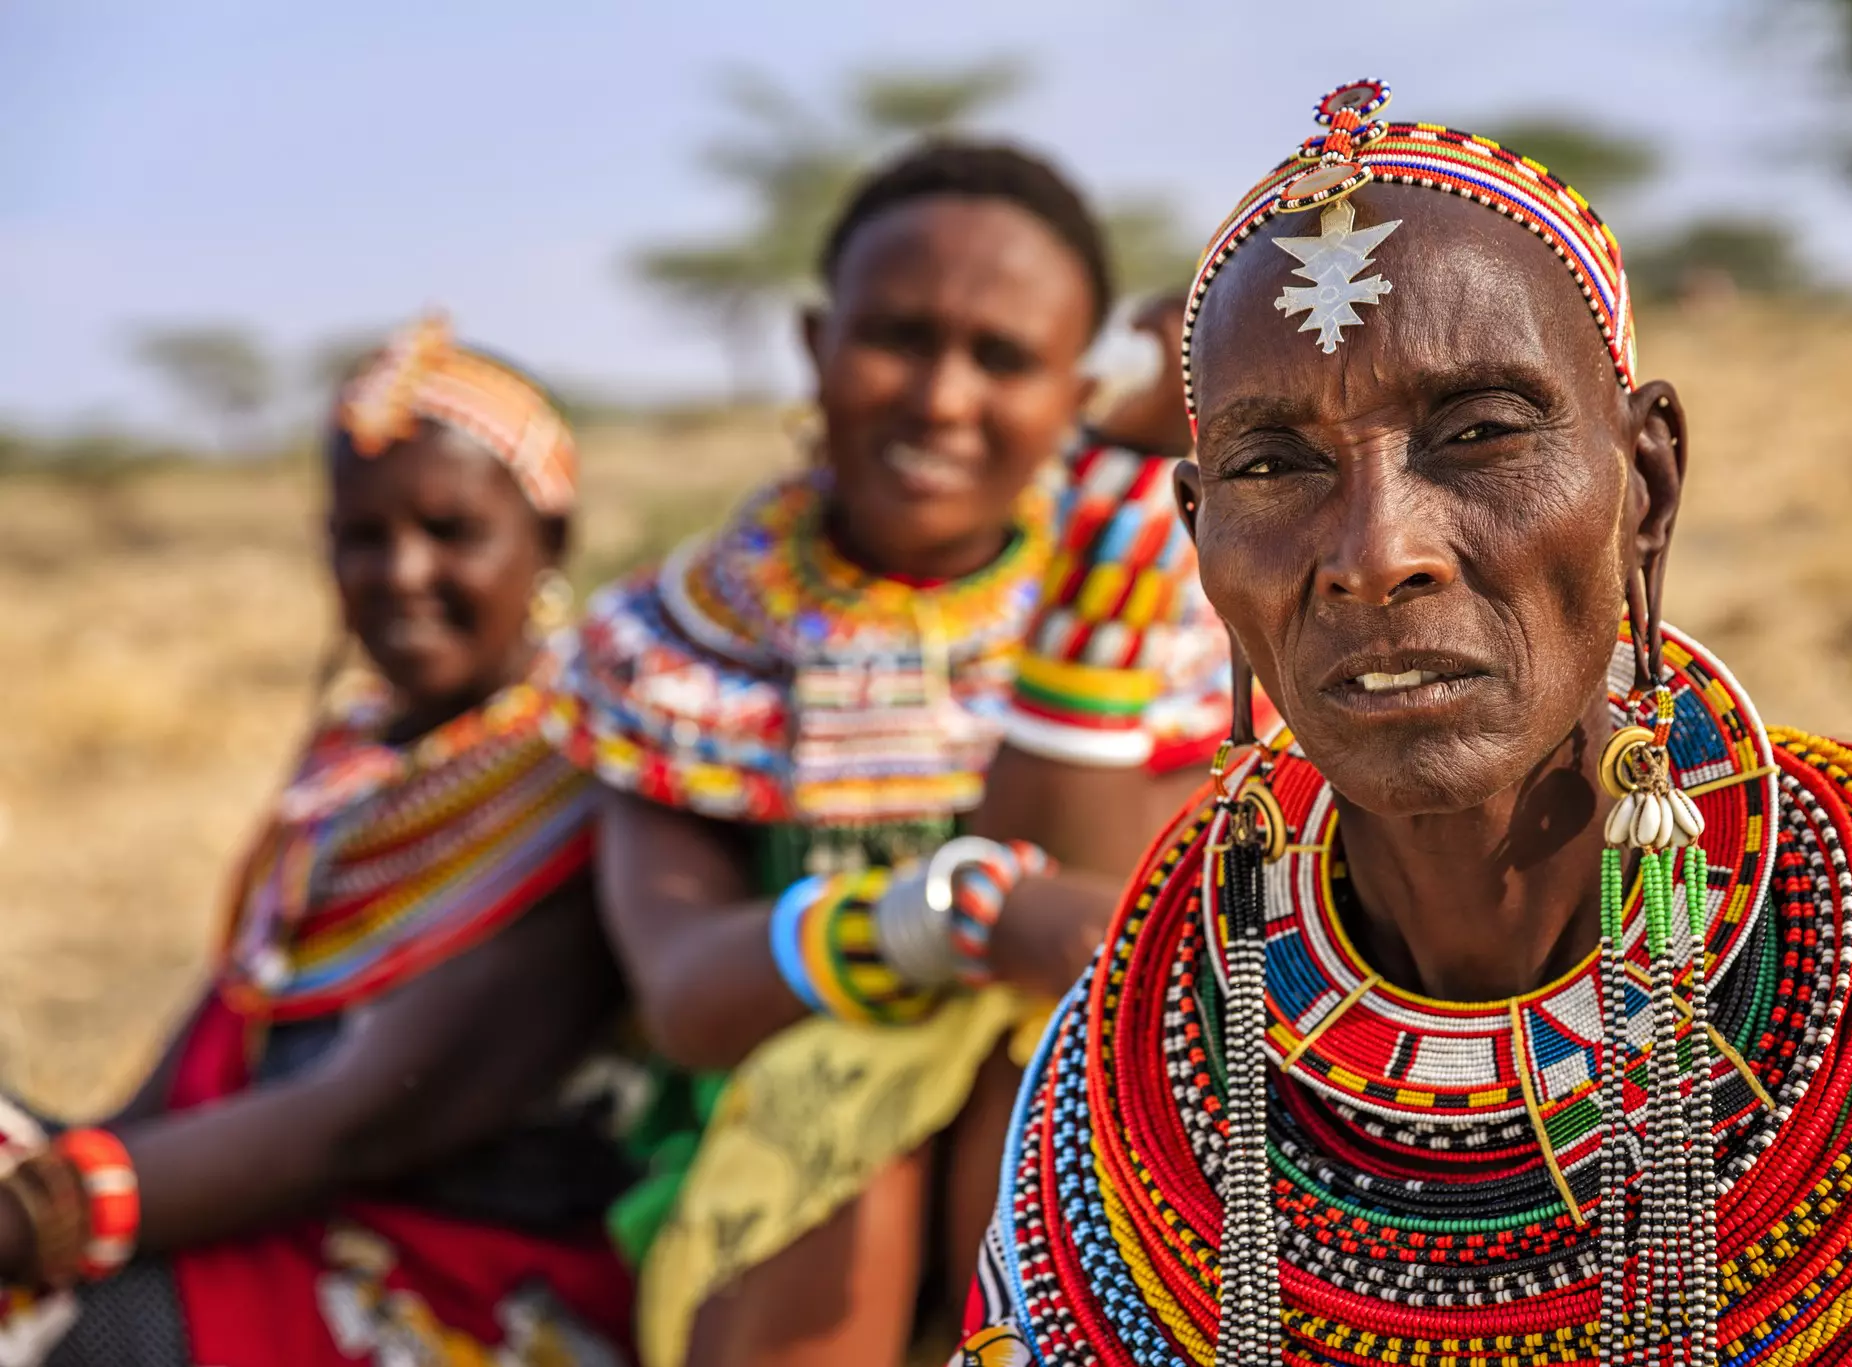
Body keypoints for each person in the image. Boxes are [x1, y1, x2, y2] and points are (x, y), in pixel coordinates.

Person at [957, 78, 1852, 1366]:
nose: (1377, 552)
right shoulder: (1131, 1059)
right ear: (1199, 531)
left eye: (1477, 433)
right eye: (1271, 465)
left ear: (1644, 482)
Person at [544, 141, 1243, 1367]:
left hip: (1034, 1171)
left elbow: (1097, 934)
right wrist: (951, 917)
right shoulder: (677, 644)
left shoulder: (1168, 619)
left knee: (1046, 1066)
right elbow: (691, 995)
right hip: (767, 1209)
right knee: (849, 1088)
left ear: (1073, 387)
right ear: (815, 345)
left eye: (1004, 358)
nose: (940, 396)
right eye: (898, 336)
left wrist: (1119, 514)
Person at [0, 316, 638, 1366]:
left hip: (460, 1279)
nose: (401, 571)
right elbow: (231, 1010)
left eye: (452, 530)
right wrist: (64, 1163)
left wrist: (43, 1216)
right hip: (260, 1205)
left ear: (549, 542)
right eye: (361, 535)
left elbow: (360, 1119)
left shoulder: (582, 779)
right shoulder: (352, 763)